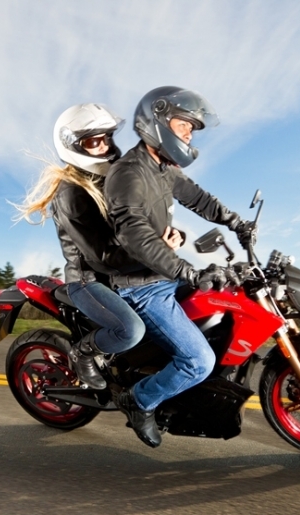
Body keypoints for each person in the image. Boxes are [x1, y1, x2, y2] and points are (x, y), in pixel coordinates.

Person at [104, 86, 256, 448]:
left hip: (164, 275)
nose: (189, 133)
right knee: (198, 360)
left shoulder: (163, 169)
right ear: (157, 121)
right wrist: (189, 272)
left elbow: (198, 198)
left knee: (225, 306)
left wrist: (236, 222)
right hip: (142, 285)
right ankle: (139, 401)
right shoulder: (127, 174)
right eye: (184, 124)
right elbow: (135, 235)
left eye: (192, 128)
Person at [16, 103, 181, 389]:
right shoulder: (71, 194)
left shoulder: (109, 179)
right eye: (94, 141)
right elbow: (103, 256)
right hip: (89, 280)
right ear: (73, 145)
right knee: (130, 330)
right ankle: (83, 353)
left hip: (119, 275)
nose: (105, 146)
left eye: (107, 137)